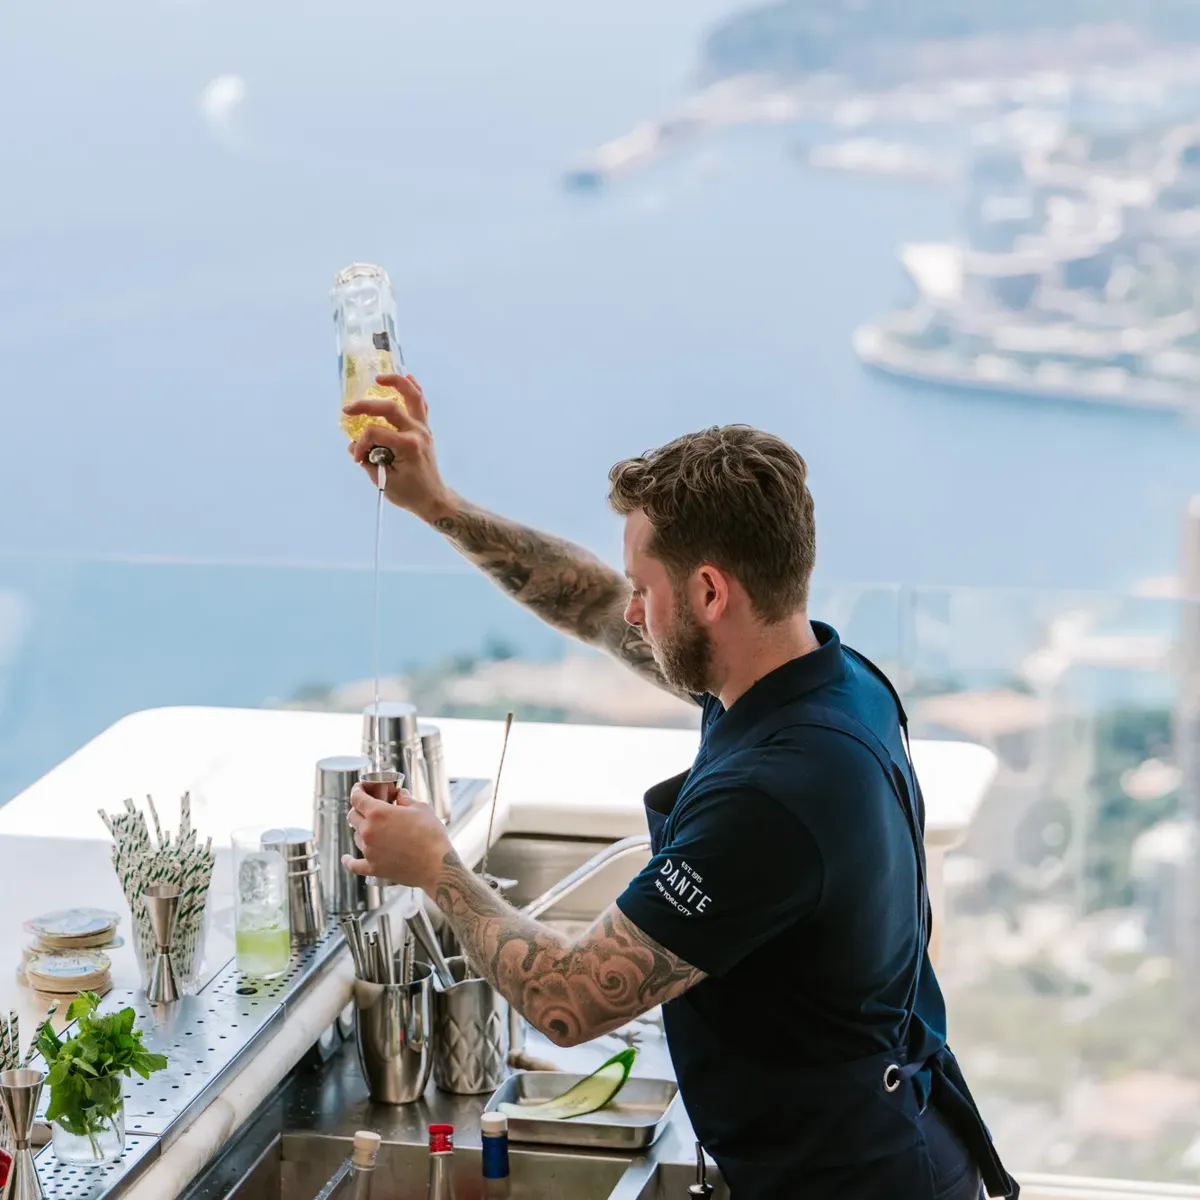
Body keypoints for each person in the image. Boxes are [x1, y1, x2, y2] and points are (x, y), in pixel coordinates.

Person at [339, 375, 1019, 1200]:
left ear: (709, 592)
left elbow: (569, 1001)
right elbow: (589, 602)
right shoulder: (822, 680)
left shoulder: (775, 793)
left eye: (646, 590)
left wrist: (434, 866)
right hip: (883, 1143)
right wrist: (437, 505)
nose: (631, 613)